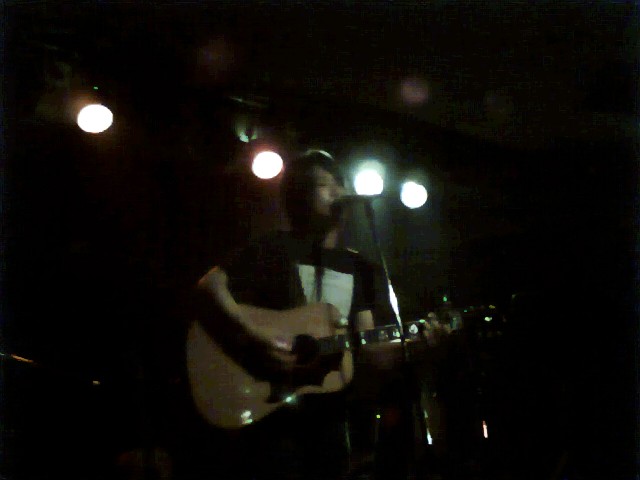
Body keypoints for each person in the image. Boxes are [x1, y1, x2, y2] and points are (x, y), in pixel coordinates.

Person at [181, 150, 382, 480]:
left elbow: (371, 346)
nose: (336, 191)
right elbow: (209, 285)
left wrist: (416, 341)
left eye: (339, 183)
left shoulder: (359, 266)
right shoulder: (274, 247)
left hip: (330, 415)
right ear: (299, 196)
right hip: (274, 414)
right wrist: (252, 335)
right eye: (323, 184)